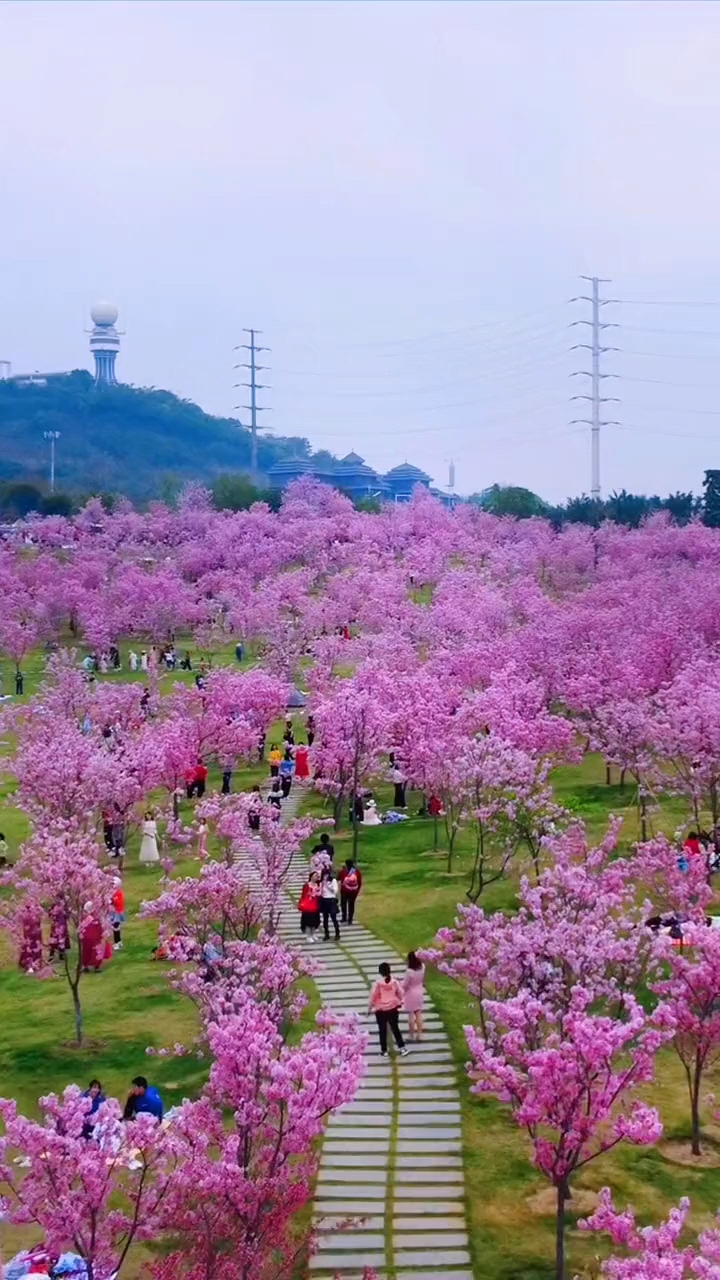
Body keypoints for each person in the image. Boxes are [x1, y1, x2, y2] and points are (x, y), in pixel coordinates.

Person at [368, 963, 409, 1057]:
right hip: (392, 1008)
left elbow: (373, 996)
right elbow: (401, 993)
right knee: (395, 1028)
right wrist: (401, 1002)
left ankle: (384, 1050)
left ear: (380, 972)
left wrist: (369, 1009)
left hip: (380, 1010)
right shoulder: (394, 982)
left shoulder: (377, 983)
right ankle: (402, 1048)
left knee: (382, 1030)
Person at [403, 951, 426, 1041]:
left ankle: (411, 1035)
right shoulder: (422, 967)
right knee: (419, 1013)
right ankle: (419, 1035)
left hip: (410, 993)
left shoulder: (409, 971)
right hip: (419, 991)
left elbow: (406, 984)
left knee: (411, 1014)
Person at [19, 902, 43, 972]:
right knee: (31, 950)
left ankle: (31, 966)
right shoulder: (32, 914)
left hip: (32, 936)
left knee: (30, 949)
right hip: (32, 936)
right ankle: (31, 968)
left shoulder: (27, 914)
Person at [298, 871, 321, 942]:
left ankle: (313, 934)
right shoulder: (307, 885)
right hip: (308, 906)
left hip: (315, 905)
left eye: (317, 876)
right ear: (311, 877)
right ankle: (308, 935)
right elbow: (303, 895)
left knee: (315, 921)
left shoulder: (318, 885)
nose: (315, 877)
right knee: (308, 922)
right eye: (314, 876)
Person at [319, 866, 340, 941]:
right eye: (324, 875)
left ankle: (337, 933)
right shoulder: (321, 882)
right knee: (325, 918)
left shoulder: (333, 881)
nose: (325, 876)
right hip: (324, 900)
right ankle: (326, 933)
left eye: (326, 874)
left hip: (331, 900)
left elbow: (335, 891)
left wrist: (328, 885)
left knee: (333, 917)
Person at [339, 858, 362, 924]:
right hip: (354, 891)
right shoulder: (356, 872)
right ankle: (350, 919)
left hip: (344, 891)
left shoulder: (344, 871)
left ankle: (344, 917)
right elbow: (359, 882)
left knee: (343, 904)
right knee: (351, 905)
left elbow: (338, 878)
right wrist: (357, 890)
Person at [111, 877, 125, 950]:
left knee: (115, 927)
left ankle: (117, 943)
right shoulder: (113, 893)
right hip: (114, 912)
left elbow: (118, 902)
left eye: (113, 884)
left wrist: (112, 900)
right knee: (116, 928)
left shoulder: (118, 893)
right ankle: (119, 942)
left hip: (117, 913)